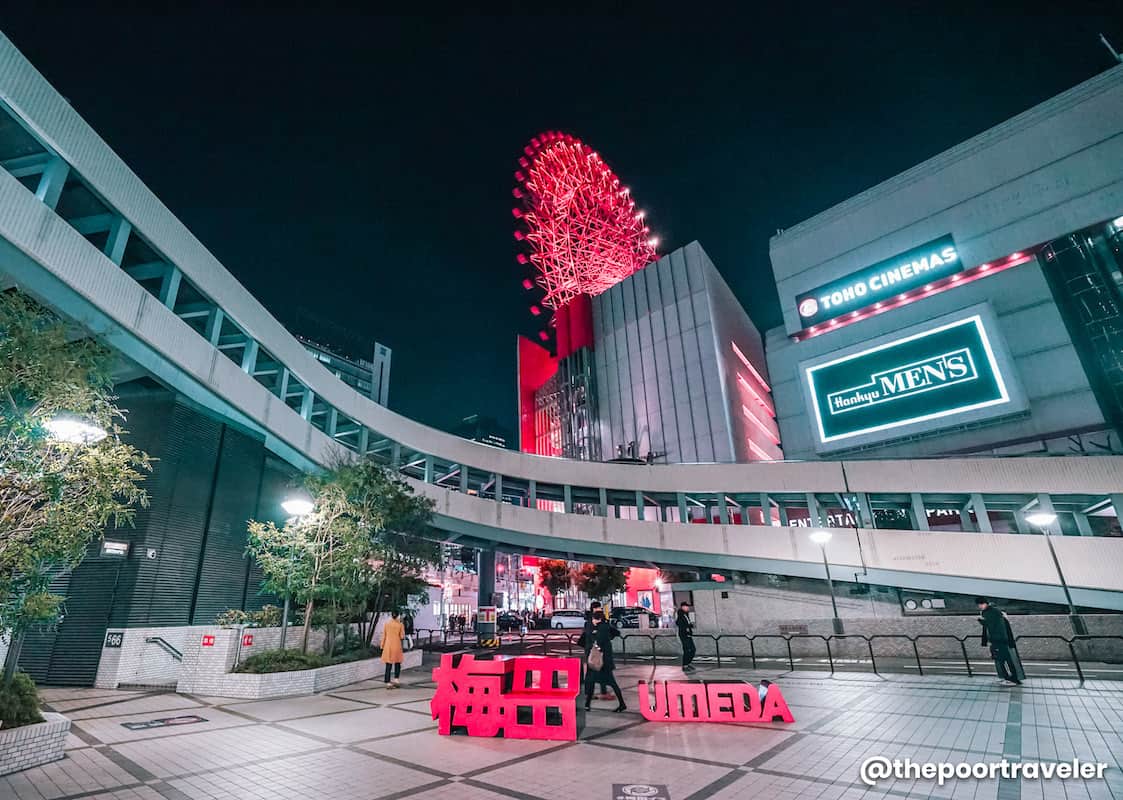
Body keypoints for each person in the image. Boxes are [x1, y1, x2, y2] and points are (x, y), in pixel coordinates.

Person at [580, 610, 626, 712]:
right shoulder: (602, 626)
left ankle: (622, 704)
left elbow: (597, 641)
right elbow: (616, 633)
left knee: (609, 683)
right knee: (598, 682)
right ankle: (587, 705)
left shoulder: (601, 628)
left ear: (599, 619)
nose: (593, 621)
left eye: (594, 619)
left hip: (600, 662)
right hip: (601, 662)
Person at [976, 597, 1023, 686]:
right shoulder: (995, 612)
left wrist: (981, 620)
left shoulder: (992, 612)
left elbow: (992, 625)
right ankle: (1009, 678)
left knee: (1003, 660)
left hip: (998, 640)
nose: (979, 606)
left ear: (984, 603)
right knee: (1002, 659)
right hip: (1000, 639)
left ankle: (1013, 679)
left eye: (980, 604)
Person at [583, 601, 610, 699]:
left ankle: (602, 691)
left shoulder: (600, 618)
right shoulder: (590, 620)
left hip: (597, 649)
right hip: (592, 650)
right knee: (591, 672)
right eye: (598, 608)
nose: (600, 609)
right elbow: (590, 634)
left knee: (600, 670)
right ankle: (588, 692)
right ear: (594, 609)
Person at [381, 610, 406, 689]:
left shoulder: (387, 624)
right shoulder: (400, 624)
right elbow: (402, 636)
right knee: (397, 663)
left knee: (388, 664)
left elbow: (384, 635)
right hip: (396, 645)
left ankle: (387, 682)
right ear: (398, 615)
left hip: (388, 646)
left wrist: (382, 646)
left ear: (391, 615)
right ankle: (396, 679)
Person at [676, 601, 696, 672]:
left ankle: (688, 663)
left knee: (692, 649)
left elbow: (687, 623)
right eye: (687, 606)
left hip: (688, 635)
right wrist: (686, 628)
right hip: (684, 635)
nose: (688, 608)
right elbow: (678, 623)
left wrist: (690, 626)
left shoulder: (685, 614)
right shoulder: (681, 614)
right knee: (687, 650)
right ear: (683, 607)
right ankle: (685, 665)